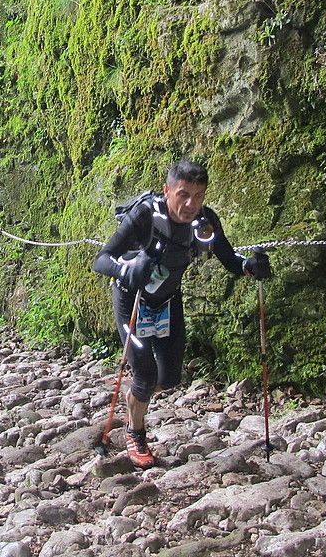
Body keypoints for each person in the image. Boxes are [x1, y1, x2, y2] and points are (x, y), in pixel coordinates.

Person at [91, 159, 271, 468]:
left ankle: (135, 398)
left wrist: (249, 267)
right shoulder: (146, 216)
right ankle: (136, 431)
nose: (191, 204)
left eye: (198, 195)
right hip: (131, 298)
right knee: (146, 375)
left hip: (168, 302)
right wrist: (126, 270)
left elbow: (229, 258)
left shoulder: (204, 223)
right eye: (183, 194)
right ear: (167, 190)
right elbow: (101, 259)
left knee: (170, 378)